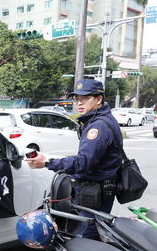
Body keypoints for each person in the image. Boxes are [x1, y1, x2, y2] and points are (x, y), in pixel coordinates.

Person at [26, 79, 122, 239]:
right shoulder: (101, 120)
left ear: (99, 99)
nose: (79, 103)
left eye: (85, 99)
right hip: (98, 190)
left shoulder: (98, 126)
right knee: (93, 234)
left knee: (87, 241)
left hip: (94, 195)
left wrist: (48, 163)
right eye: (77, 99)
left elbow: (83, 163)